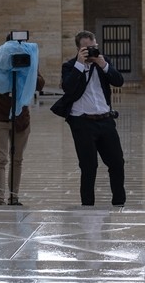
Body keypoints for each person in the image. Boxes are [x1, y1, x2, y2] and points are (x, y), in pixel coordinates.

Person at [54, 30, 126, 207]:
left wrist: (104, 65)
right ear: (78, 49)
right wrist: (80, 65)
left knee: (117, 162)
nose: (91, 51)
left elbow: (119, 81)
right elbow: (68, 88)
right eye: (86, 49)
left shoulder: (103, 62)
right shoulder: (70, 66)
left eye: (93, 47)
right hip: (82, 122)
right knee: (88, 166)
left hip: (105, 119)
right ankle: (87, 205)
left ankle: (119, 202)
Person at [0, 37, 46, 206]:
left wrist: (28, 71)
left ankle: (14, 197)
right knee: (0, 159)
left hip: (20, 118)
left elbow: (40, 84)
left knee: (17, 159)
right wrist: (3, 69)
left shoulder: (28, 61)